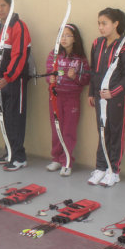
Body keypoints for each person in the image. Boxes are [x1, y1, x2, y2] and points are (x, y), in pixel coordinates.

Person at [88, 8, 125, 187]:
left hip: (117, 98)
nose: (100, 27)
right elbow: (94, 71)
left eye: (104, 23)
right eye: (99, 23)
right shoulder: (96, 43)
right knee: (102, 131)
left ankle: (113, 170)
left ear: (116, 24)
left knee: (116, 132)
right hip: (99, 96)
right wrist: (92, 92)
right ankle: (100, 167)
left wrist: (113, 92)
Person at [0, 0, 32, 171]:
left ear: (10, 6)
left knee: (16, 118)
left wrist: (8, 78)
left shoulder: (19, 26)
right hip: (2, 83)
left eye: (3, 6)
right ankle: (9, 151)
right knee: (5, 117)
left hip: (15, 81)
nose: (0, 9)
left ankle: (19, 156)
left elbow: (19, 55)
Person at [45, 24, 90, 176]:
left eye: (67, 35)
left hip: (71, 99)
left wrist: (75, 77)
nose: (63, 38)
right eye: (61, 35)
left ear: (75, 38)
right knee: (56, 129)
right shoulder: (54, 54)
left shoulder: (80, 59)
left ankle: (67, 161)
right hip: (55, 98)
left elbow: (86, 79)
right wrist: (50, 78)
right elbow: (48, 74)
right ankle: (57, 159)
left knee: (68, 131)